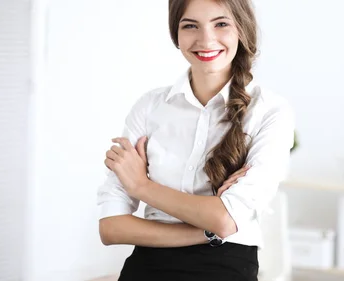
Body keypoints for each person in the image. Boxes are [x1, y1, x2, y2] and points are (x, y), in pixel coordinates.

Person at [96, 0, 295, 279]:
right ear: (175, 34)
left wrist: (141, 186)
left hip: (226, 267)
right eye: (190, 26)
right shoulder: (150, 106)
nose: (206, 39)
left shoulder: (270, 111)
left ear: (242, 28)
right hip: (147, 265)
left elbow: (224, 218)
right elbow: (111, 228)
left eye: (221, 24)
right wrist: (208, 230)